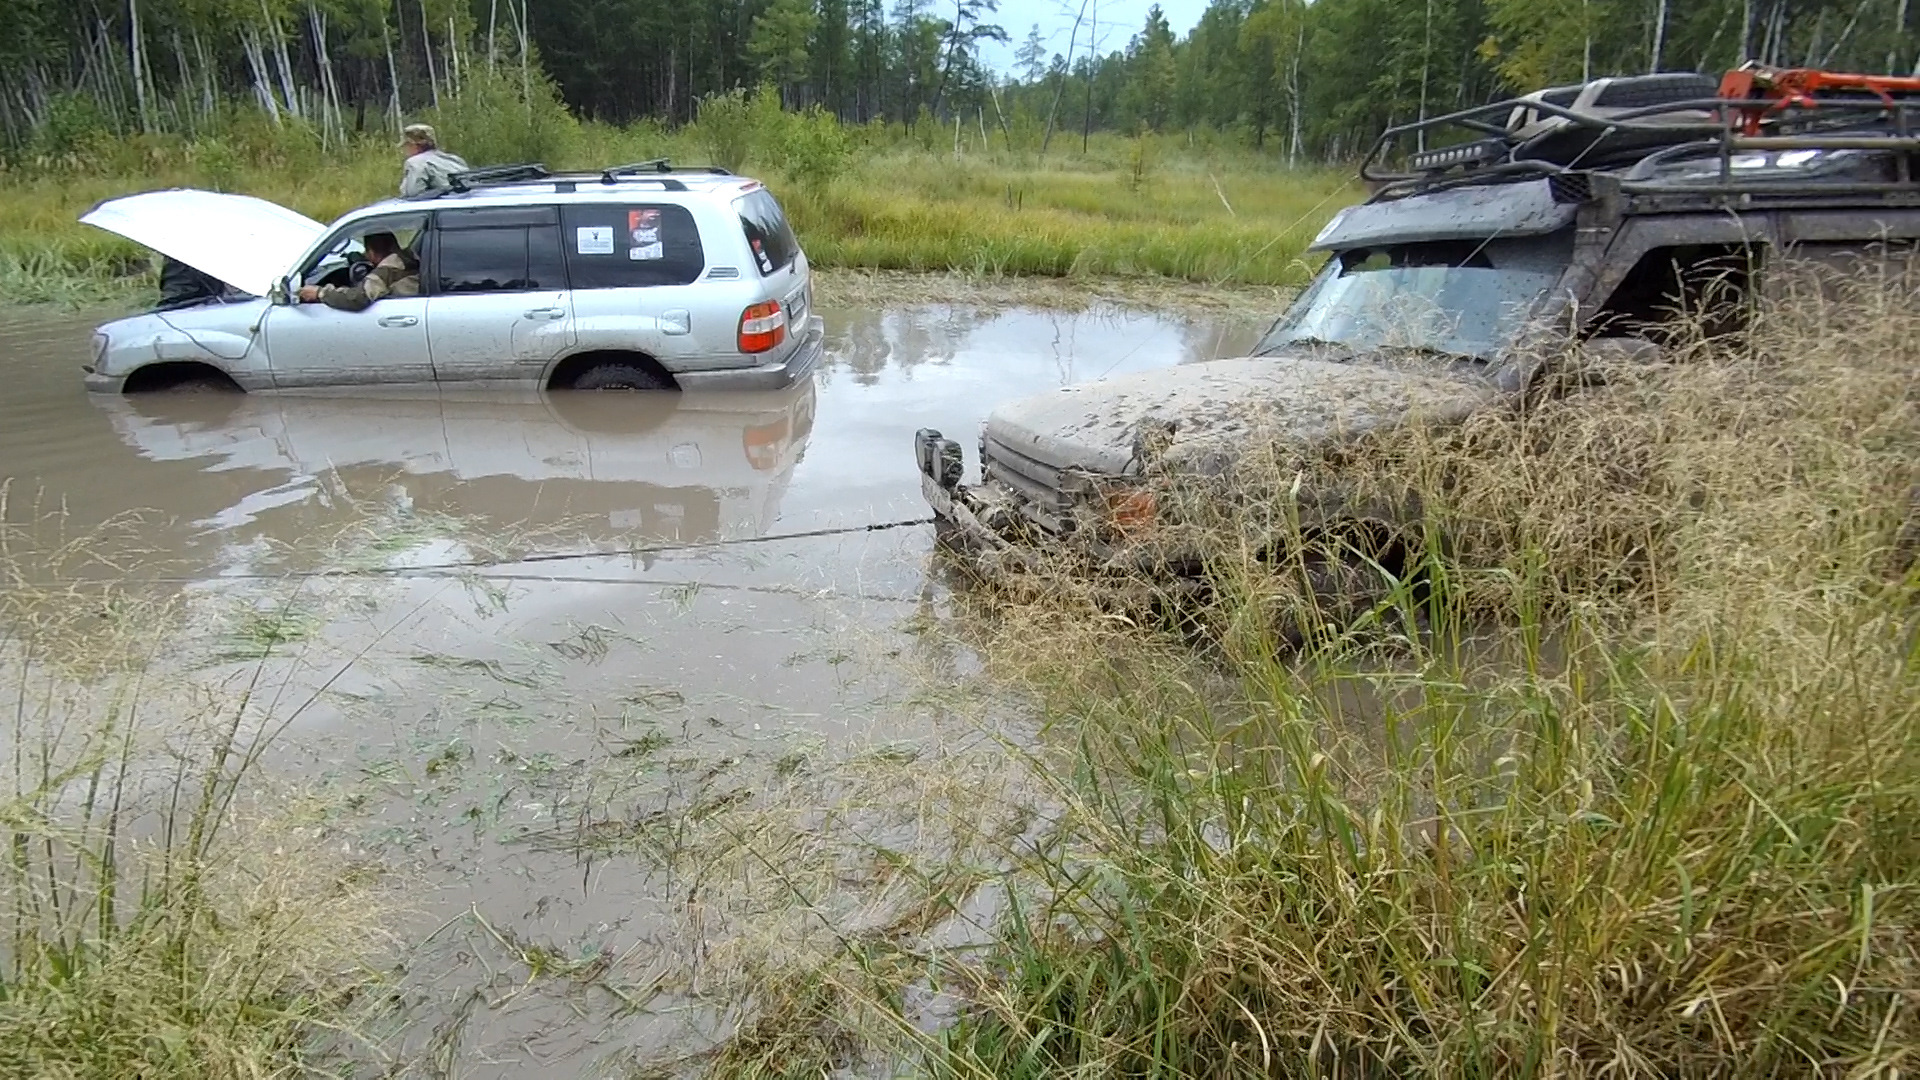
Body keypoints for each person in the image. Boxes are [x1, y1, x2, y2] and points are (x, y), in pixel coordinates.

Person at [297, 232, 418, 311]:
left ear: (371, 252)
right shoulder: (412, 259)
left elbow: (357, 298)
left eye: (366, 251)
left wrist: (320, 293)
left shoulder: (385, 272)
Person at [398, 123, 469, 196]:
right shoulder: (455, 159)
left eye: (406, 146)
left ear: (414, 145)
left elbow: (412, 194)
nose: (404, 150)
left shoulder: (415, 163)